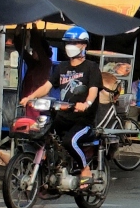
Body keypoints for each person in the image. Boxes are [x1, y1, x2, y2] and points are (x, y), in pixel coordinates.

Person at [18, 27, 100, 186]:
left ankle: (85, 169)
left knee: (70, 141)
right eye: (68, 42)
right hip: (62, 116)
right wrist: (30, 97)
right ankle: (47, 166)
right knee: (39, 133)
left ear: (84, 45)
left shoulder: (91, 67)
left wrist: (86, 104)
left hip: (82, 120)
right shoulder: (62, 67)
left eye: (75, 42)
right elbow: (47, 86)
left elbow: (93, 91)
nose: (70, 45)